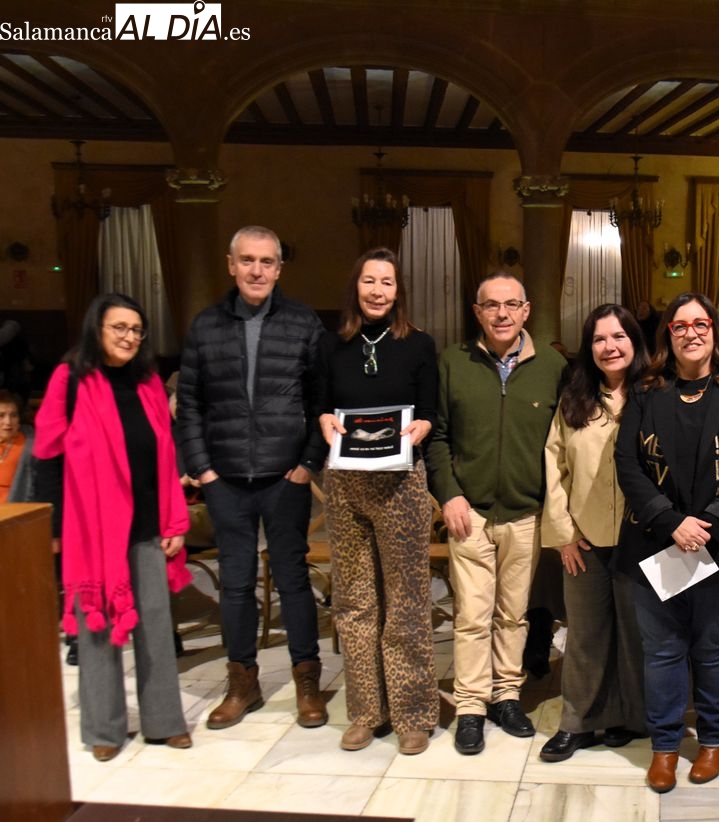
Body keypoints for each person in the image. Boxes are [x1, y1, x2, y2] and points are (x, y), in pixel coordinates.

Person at [615, 292, 719, 793]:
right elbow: (628, 464)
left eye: (699, 323)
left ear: (714, 330)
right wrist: (669, 521)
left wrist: (710, 522)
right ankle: (664, 748)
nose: (690, 332)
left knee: (711, 648)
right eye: (679, 325)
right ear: (667, 335)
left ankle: (712, 741)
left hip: (718, 542)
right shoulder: (647, 390)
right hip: (656, 539)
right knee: (662, 650)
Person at [176, 225, 328, 731]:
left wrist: (307, 464)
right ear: (230, 264)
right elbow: (190, 405)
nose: (257, 270)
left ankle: (308, 679)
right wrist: (205, 471)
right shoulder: (205, 326)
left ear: (280, 268)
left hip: (286, 478)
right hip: (226, 481)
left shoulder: (303, 323)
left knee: (293, 580)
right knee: (236, 585)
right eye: (247, 260)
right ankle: (242, 681)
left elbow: (321, 403)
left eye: (267, 261)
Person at [33, 293, 192, 761]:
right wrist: (55, 528)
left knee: (157, 628)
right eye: (118, 327)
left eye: (136, 329)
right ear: (96, 329)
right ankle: (104, 729)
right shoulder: (71, 380)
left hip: (147, 523)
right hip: (90, 528)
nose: (129, 337)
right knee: (97, 628)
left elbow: (165, 455)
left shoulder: (147, 384)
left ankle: (164, 721)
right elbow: (46, 457)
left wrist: (174, 520)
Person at [425, 272, 568, 756]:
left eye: (511, 305)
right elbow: (438, 437)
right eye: (491, 305)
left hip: (527, 512)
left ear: (526, 310)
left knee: (514, 614)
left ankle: (507, 695)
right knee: (471, 614)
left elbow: (564, 442)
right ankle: (469, 704)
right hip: (471, 513)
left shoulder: (553, 366)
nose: (502, 314)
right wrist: (449, 494)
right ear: (477, 311)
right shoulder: (453, 363)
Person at [316, 248, 439, 755]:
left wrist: (422, 427)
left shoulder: (419, 345)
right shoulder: (331, 345)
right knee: (355, 601)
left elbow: (430, 411)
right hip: (346, 483)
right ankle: (366, 711)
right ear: (356, 286)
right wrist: (324, 421)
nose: (377, 291)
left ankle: (412, 713)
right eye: (369, 281)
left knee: (407, 602)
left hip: (402, 483)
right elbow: (320, 404)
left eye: (387, 282)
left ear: (398, 291)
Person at [539, 304, 649, 763]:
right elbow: (554, 464)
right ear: (590, 347)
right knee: (584, 634)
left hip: (643, 539)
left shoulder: (655, 395)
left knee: (637, 634)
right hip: (584, 538)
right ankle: (578, 722)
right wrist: (563, 532)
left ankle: (630, 717)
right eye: (600, 338)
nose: (610, 346)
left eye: (619, 336)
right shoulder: (574, 401)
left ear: (634, 343)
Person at [0, 389, 34, 502]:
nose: (8, 422)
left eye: (13, 415)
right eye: (1, 416)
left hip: (16, 512)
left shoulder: (29, 446)